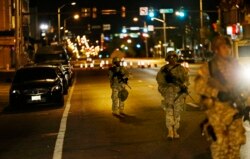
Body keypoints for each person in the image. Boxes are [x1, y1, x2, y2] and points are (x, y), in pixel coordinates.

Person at [195, 35, 246, 159]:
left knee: (235, 144)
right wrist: (216, 93)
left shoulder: (236, 65)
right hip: (217, 112)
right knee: (220, 145)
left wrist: (248, 104)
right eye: (224, 47)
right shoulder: (209, 67)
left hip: (234, 111)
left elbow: (245, 85)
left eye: (228, 47)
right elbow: (198, 86)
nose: (227, 49)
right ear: (216, 49)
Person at [156, 52, 189, 139]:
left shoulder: (181, 68)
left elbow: (186, 79)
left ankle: (175, 129)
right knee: (169, 111)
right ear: (167, 58)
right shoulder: (163, 69)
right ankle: (170, 130)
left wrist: (183, 86)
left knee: (177, 112)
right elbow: (160, 81)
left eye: (174, 57)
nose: (172, 58)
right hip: (169, 93)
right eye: (170, 57)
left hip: (178, 93)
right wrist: (167, 85)